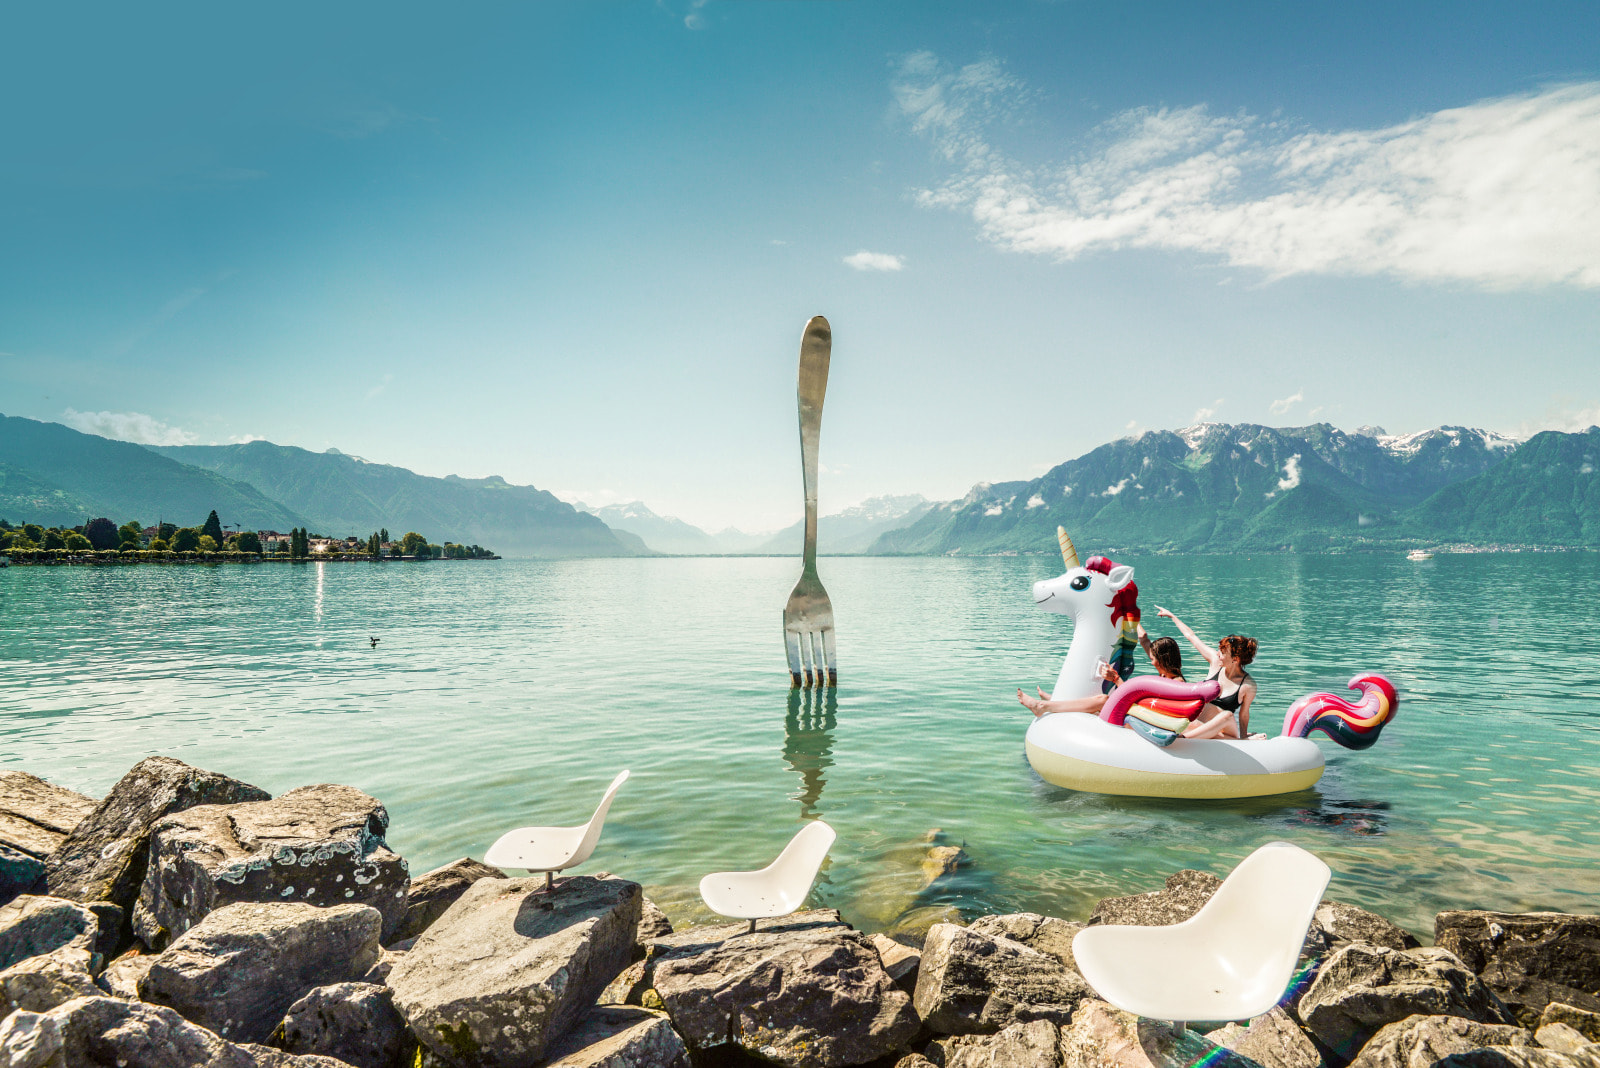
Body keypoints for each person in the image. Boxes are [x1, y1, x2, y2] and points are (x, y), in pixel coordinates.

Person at [1017, 632, 1187, 718]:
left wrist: (1115, 678)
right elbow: (1144, 640)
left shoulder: (1177, 683)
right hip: (1144, 713)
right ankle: (1053, 702)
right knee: (1102, 701)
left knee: (1103, 699)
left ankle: (1042, 706)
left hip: (1148, 718)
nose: (1151, 662)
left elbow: (1153, 706)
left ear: (1164, 660)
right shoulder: (1166, 677)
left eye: (1154, 659)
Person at [1154, 606, 1257, 739]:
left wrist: (1244, 739)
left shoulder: (1247, 685)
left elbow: (1243, 715)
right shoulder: (1215, 662)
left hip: (1223, 732)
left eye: (1223, 652)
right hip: (1198, 726)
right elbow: (1191, 636)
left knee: (1227, 715)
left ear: (1235, 659)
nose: (1218, 654)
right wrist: (1172, 616)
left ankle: (1183, 739)